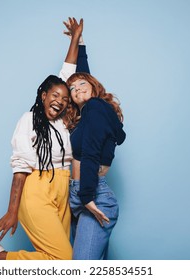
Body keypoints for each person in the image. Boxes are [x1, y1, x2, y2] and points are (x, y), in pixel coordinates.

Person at [0, 17, 84, 260]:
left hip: (63, 187)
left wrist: (76, 40)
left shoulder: (60, 120)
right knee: (64, 259)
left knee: (55, 257)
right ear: (43, 95)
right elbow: (20, 168)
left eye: (65, 99)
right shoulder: (29, 120)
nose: (60, 101)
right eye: (55, 96)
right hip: (37, 188)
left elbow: (65, 75)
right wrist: (11, 211)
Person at [63, 34, 126, 259]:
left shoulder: (95, 107)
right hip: (79, 194)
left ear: (93, 86)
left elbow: (90, 153)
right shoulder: (87, 116)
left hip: (92, 195)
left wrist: (87, 198)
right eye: (72, 88)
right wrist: (80, 46)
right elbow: (82, 78)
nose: (77, 88)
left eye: (83, 84)